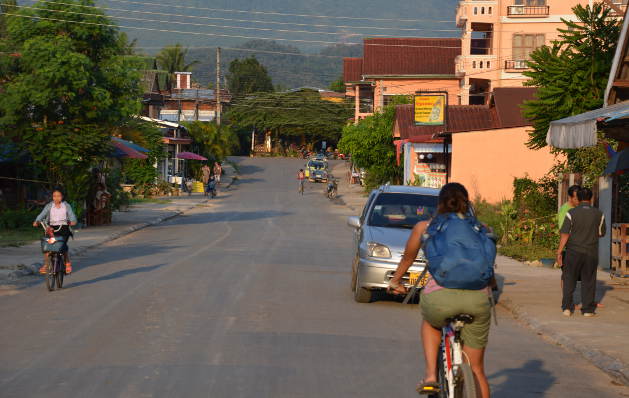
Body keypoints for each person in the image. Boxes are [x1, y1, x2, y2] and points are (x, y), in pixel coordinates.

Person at [389, 183, 492, 398]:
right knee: (477, 370)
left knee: (431, 322)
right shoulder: (480, 228)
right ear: (467, 203)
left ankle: (430, 377)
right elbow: (487, 263)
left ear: (440, 203)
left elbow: (408, 259)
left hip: (440, 297)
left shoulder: (426, 227)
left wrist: (396, 281)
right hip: (478, 299)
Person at [557, 187, 606, 317]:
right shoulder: (599, 214)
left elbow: (565, 234)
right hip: (591, 252)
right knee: (588, 280)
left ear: (578, 198)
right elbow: (601, 233)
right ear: (591, 198)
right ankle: (588, 310)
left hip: (573, 252)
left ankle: (567, 308)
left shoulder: (571, 213)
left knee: (569, 279)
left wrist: (559, 252)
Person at [33, 188, 77, 274]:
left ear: (62, 197)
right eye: (54, 196)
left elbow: (72, 216)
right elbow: (42, 214)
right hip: (51, 228)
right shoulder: (49, 205)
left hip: (64, 227)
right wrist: (36, 221)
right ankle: (46, 265)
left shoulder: (66, 206)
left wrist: (73, 221)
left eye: (59, 196)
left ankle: (67, 262)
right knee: (47, 245)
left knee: (62, 244)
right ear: (52, 197)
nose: (56, 198)